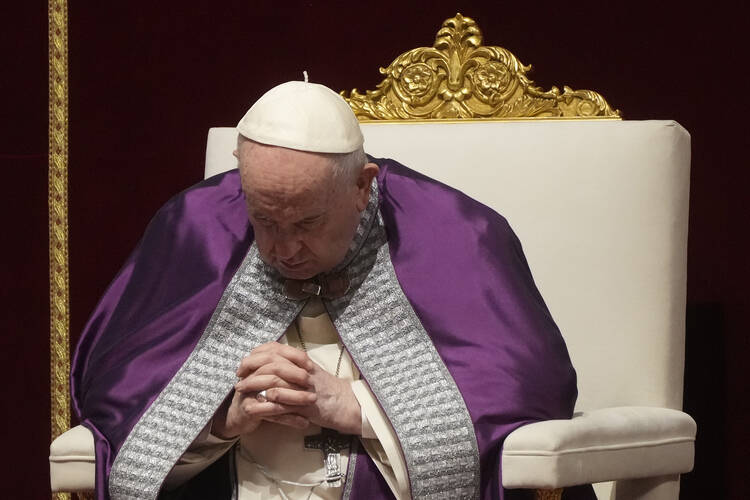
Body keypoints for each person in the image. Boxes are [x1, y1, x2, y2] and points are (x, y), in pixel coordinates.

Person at [71, 81, 586, 500]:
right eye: (264, 219)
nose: (283, 248)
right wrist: (220, 419)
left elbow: (526, 396)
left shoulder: (457, 234)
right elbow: (117, 407)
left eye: (308, 222)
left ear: (363, 185)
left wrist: (357, 407)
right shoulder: (193, 228)